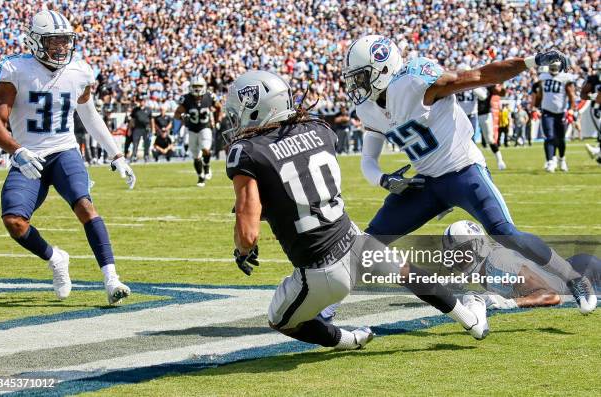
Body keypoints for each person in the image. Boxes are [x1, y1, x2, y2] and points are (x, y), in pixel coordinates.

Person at [224, 70, 490, 350]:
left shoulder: (248, 151)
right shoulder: (318, 128)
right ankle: (471, 320)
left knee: (280, 320)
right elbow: (299, 180)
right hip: (355, 241)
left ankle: (350, 340)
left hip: (321, 270)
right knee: (408, 274)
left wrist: (243, 251)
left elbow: (248, 234)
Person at [343, 35, 596, 314]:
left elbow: (480, 75)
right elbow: (368, 159)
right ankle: (326, 308)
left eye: (361, 77)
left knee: (505, 233)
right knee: (368, 243)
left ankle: (574, 277)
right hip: (426, 182)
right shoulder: (367, 109)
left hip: (463, 170)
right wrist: (384, 179)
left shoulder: (415, 83)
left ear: (384, 68)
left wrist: (531, 61)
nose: (357, 86)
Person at [0, 10, 135, 304]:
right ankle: (55, 258)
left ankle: (111, 279)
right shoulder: (15, 71)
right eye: (53, 41)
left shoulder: (79, 71)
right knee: (14, 222)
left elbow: (90, 117)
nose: (60, 47)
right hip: (29, 155)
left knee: (85, 205)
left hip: (64, 151)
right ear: (35, 41)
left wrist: (116, 153)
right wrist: (17, 151)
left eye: (64, 41)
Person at [443, 220, 600, 310]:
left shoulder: (498, 265)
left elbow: (551, 295)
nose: (458, 258)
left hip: (587, 273)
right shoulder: (486, 266)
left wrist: (510, 303)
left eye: (462, 251)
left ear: (479, 247)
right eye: (454, 254)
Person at [174, 76, 221, 187]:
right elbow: (177, 114)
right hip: (191, 129)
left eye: (199, 86)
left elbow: (219, 107)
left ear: (204, 86)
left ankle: (207, 166)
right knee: (196, 156)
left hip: (205, 127)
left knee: (205, 149)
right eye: (195, 86)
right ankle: (200, 177)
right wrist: (182, 116)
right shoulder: (186, 98)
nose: (197, 88)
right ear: (190, 87)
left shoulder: (210, 96)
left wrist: (218, 120)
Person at [538, 61, 576, 172]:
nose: (553, 69)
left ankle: (562, 159)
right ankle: (550, 161)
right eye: (552, 66)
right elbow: (540, 94)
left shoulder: (565, 78)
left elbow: (571, 95)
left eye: (555, 67)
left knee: (561, 139)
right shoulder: (543, 77)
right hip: (546, 112)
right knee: (549, 136)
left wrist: (571, 110)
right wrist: (535, 107)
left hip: (561, 112)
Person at [477, 84, 507, 169]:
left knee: (490, 139)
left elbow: (501, 93)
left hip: (484, 114)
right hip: (469, 113)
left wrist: (502, 85)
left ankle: (500, 160)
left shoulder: (488, 84)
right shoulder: (467, 82)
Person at [128, 96, 154, 162]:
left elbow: (151, 120)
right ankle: (134, 156)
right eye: (140, 101)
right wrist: (130, 129)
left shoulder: (148, 109)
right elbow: (132, 120)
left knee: (147, 143)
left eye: (143, 101)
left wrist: (153, 129)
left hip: (146, 128)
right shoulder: (135, 109)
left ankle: (146, 156)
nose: (142, 102)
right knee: (135, 143)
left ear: (145, 101)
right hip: (137, 128)